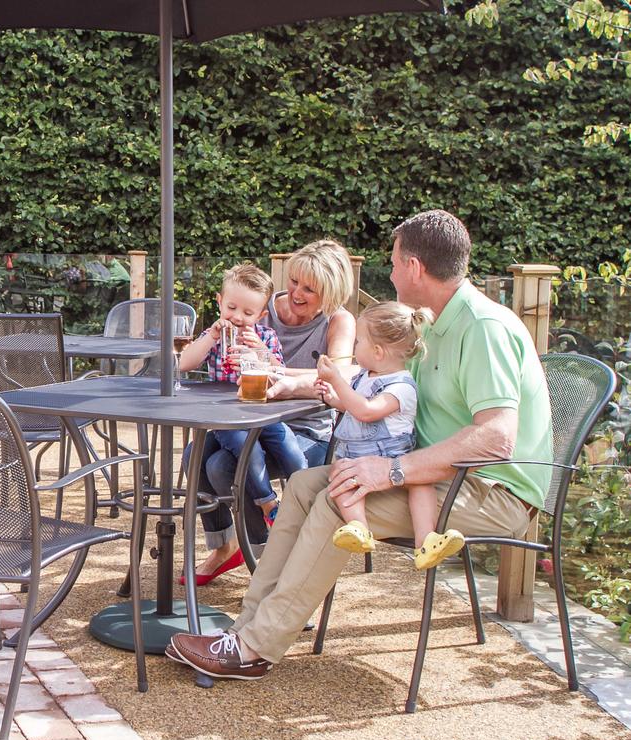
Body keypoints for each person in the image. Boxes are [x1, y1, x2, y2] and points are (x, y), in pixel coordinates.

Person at [167, 209, 553, 680]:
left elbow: (496, 439)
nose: (388, 272)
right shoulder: (429, 322)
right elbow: (372, 383)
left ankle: (254, 649)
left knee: (333, 500)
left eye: (392, 262)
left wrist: (391, 471)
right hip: (435, 475)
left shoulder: (483, 327)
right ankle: (245, 626)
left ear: (414, 267)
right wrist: (308, 386)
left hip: (489, 491)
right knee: (307, 485)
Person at [182, 240, 357, 586]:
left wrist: (284, 378)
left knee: (225, 465)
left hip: (305, 430)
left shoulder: (338, 321)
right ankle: (226, 544)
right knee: (194, 455)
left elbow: (342, 380)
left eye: (310, 289)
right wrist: (302, 377)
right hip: (247, 417)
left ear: (331, 293)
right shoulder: (260, 308)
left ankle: (268, 559)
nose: (296, 293)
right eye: (294, 281)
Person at [178, 265, 305, 584]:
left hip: (260, 410)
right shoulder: (214, 335)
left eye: (247, 312)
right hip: (228, 416)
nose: (237, 316)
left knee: (286, 444)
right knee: (239, 448)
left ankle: (304, 497)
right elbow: (184, 363)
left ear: (261, 315)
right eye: (231, 307)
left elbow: (279, 370)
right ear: (220, 302)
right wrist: (211, 335)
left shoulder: (264, 336)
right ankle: (266, 502)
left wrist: (259, 352)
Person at [315, 301, 465, 569]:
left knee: (420, 483)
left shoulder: (401, 386)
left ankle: (426, 539)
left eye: (358, 341)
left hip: (394, 458)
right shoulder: (365, 376)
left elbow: (366, 411)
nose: (354, 347)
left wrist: (337, 379)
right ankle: (359, 528)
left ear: (378, 351)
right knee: (339, 475)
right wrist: (334, 398)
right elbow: (353, 405)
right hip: (356, 457)